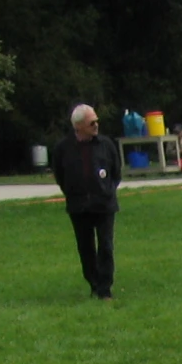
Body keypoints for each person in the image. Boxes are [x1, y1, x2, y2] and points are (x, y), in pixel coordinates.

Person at [52, 103, 121, 300]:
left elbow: (116, 172)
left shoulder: (106, 145)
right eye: (92, 122)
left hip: (104, 205)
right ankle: (94, 283)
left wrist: (106, 191)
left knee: (106, 246)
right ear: (78, 125)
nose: (96, 125)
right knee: (85, 247)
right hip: (78, 207)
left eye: (97, 121)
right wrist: (74, 193)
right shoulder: (63, 148)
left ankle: (105, 289)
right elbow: (60, 175)